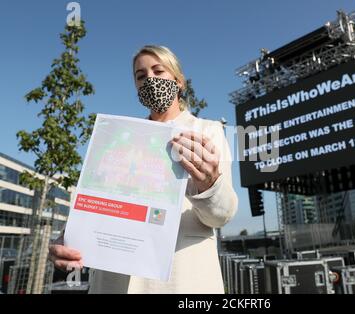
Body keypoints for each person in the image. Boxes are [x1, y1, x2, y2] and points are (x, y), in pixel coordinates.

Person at [48, 45, 238, 293]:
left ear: (179, 82)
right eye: (141, 76)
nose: (150, 79)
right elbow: (100, 203)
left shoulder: (206, 132)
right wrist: (72, 238)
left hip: (180, 282)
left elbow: (220, 216)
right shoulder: (120, 137)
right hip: (113, 281)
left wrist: (210, 185)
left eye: (158, 71)